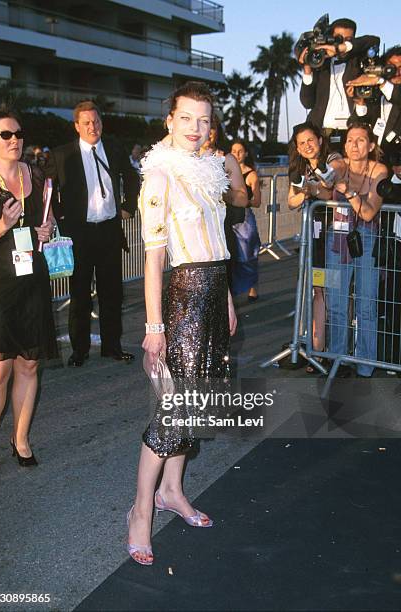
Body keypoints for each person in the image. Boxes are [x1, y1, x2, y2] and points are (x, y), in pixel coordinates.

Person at [127, 81, 237, 565]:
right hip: (184, 300)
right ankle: (139, 513)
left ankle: (173, 490)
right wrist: (155, 327)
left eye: (204, 119)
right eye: (187, 118)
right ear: (168, 120)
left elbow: (217, 242)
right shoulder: (160, 177)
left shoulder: (210, 170)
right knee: (172, 411)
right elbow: (153, 262)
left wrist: (229, 300)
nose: (196, 128)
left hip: (215, 294)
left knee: (195, 406)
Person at [0, 108, 57, 477]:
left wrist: (48, 229)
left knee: (29, 364)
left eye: (18, 134)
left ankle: (21, 439)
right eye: (5, 135)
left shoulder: (39, 176)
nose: (15, 140)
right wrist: (3, 224)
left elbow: (49, 219)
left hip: (32, 280)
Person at [46, 101, 139, 367]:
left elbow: (132, 177)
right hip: (80, 234)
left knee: (112, 292)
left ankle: (112, 346)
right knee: (79, 294)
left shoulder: (113, 147)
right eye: (86, 122)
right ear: (76, 126)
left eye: (96, 121)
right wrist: (59, 214)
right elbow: (47, 189)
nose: (92, 127)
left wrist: (128, 207)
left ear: (101, 122)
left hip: (109, 230)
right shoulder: (63, 154)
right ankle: (80, 350)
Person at [326, 122, 388, 377]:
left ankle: (365, 364)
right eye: (350, 140)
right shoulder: (341, 166)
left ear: (371, 145)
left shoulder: (379, 170)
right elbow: (329, 171)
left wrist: (350, 192)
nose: (354, 145)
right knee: (336, 302)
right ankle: (338, 358)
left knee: (366, 304)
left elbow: (369, 211)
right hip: (338, 237)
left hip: (368, 237)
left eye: (361, 140)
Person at [288, 122, 344, 372]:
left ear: (320, 140)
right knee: (318, 290)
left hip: (336, 234)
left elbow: (329, 190)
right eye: (301, 143)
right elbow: (292, 200)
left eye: (310, 140)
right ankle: (318, 350)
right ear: (297, 149)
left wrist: (312, 191)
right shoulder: (299, 168)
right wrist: (308, 192)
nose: (307, 146)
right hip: (314, 236)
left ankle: (337, 350)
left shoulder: (333, 159)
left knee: (337, 292)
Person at [298, 17, 379, 150]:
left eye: (348, 39)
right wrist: (307, 70)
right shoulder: (319, 64)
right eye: (338, 38)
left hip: (351, 136)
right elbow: (307, 103)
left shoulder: (357, 60)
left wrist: (342, 47)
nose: (341, 42)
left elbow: (374, 40)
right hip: (321, 135)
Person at [200, 122, 247, 289]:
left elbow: (242, 199)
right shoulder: (182, 160)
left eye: (209, 126)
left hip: (220, 236)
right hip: (191, 240)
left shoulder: (226, 160)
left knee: (222, 293)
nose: (205, 131)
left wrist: (219, 186)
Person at [347, 45, 401, 164]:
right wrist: (360, 103)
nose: (397, 72)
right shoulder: (375, 96)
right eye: (391, 68)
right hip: (373, 167)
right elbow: (355, 126)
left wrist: (379, 81)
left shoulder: (386, 88)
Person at [230, 140, 262, 301]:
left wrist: (241, 200)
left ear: (246, 153)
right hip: (229, 217)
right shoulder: (226, 172)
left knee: (248, 254)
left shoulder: (252, 174)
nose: (236, 154)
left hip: (244, 218)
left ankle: (252, 287)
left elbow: (257, 201)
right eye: (234, 151)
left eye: (240, 151)